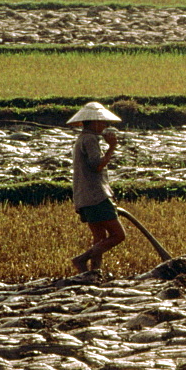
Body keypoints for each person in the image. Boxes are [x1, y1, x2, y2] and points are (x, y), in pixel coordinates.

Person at [67, 102, 126, 274]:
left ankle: (94, 272)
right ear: (93, 122)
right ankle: (81, 260)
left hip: (84, 196)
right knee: (118, 235)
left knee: (99, 237)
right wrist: (112, 147)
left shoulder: (82, 139)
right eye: (103, 122)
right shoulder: (91, 139)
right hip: (96, 196)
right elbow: (96, 166)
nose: (106, 126)